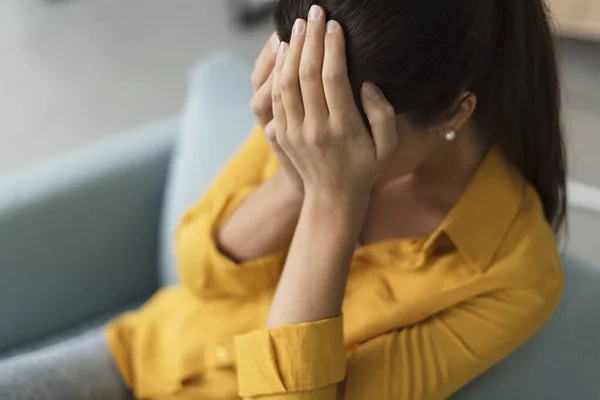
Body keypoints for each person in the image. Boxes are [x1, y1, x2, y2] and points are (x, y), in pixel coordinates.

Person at [0, 0, 566, 399]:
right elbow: (198, 271)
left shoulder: (513, 272)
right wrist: (292, 182)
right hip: (144, 352)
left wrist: (332, 203)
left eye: (353, 134)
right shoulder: (315, 99)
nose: (317, 138)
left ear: (454, 113)